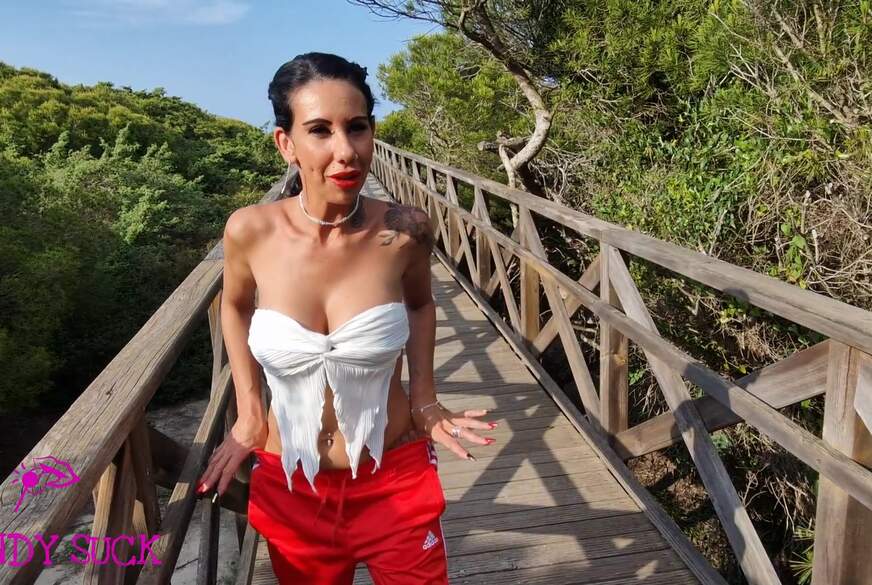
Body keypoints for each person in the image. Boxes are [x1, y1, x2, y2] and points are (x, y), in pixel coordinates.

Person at [195, 52, 496, 584]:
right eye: (319, 130)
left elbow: (421, 304)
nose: (346, 150)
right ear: (286, 144)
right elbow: (235, 306)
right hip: (293, 484)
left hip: (394, 477)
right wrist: (248, 411)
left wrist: (425, 400)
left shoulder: (406, 228)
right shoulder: (250, 231)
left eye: (357, 127)